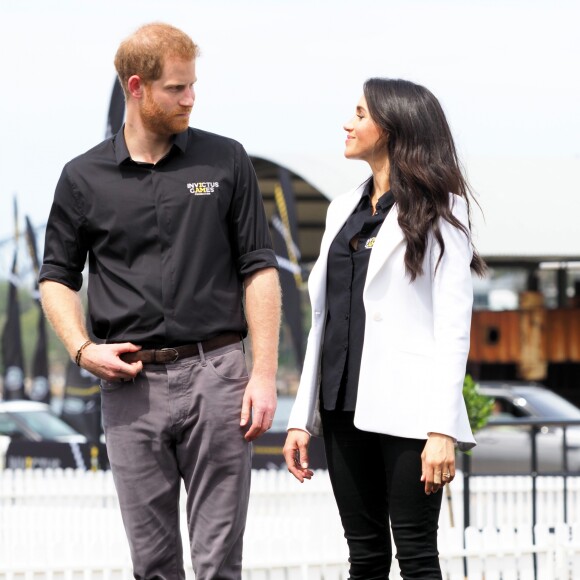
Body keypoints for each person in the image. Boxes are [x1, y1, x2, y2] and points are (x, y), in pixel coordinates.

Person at [39, 23, 281, 580]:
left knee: (220, 563)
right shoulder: (81, 178)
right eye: (177, 88)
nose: (190, 99)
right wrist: (81, 349)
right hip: (129, 385)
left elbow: (260, 270)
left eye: (193, 85)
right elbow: (56, 277)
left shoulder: (226, 161)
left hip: (219, 377)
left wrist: (262, 375)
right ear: (136, 87)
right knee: (152, 564)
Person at [283, 78, 485, 579]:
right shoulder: (340, 210)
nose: (347, 123)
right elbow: (323, 321)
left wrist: (441, 429)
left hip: (411, 412)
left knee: (416, 557)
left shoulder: (443, 210)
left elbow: (453, 327)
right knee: (364, 558)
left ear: (393, 127)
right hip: (339, 405)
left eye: (359, 113)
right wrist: (299, 416)